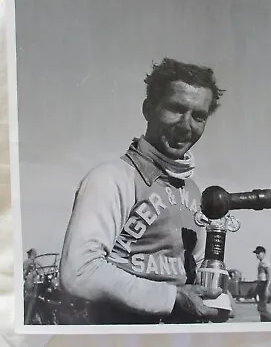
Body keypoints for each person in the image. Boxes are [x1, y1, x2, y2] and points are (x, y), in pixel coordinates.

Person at [59, 57, 226, 324]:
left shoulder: (193, 191)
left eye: (198, 116)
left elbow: (192, 273)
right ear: (149, 109)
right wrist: (173, 299)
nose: (186, 125)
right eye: (175, 109)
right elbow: (80, 272)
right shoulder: (111, 178)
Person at [253, 245, 271, 322]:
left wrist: (267, 288)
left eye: (259, 253)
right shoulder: (261, 263)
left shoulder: (265, 263)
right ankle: (264, 322)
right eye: (256, 253)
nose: (257, 255)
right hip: (260, 284)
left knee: (261, 307)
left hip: (264, 284)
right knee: (261, 307)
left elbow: (270, 275)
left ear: (263, 253)